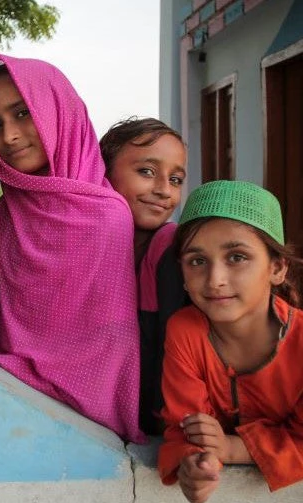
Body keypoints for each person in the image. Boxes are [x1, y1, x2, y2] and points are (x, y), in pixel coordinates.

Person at [0, 52, 145, 443]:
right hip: (3, 404)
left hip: (84, 423)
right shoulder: (8, 212)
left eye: (23, 113)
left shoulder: (107, 216)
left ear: (58, 109)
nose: (8, 136)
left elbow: (109, 345)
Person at [158, 180, 303, 503]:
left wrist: (232, 448)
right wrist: (196, 463)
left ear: (277, 267)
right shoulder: (185, 331)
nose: (215, 279)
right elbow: (186, 425)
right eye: (197, 261)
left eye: (236, 257)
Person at [100, 118, 189, 435]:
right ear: (104, 174)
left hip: (154, 420)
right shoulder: (82, 244)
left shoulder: (171, 252)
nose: (164, 190)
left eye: (176, 179)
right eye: (147, 172)